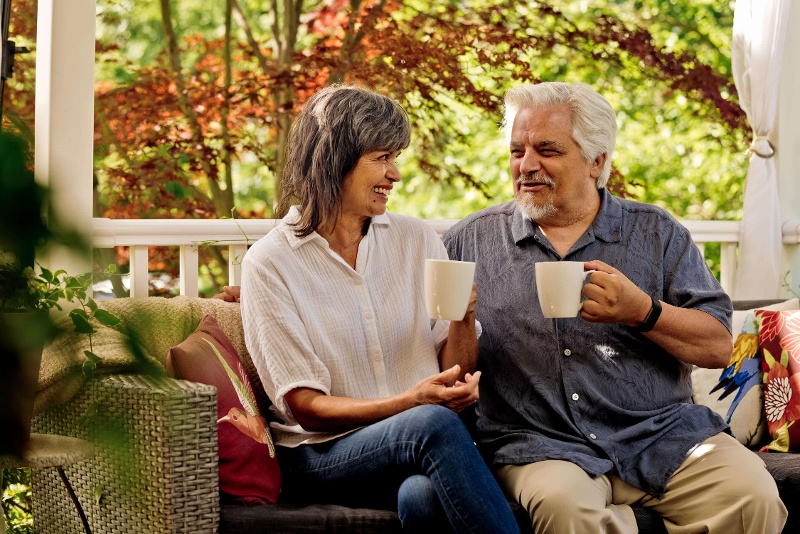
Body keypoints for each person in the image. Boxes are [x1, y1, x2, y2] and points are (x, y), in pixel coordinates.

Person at [442, 81, 787, 534]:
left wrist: (641, 311)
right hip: (540, 445)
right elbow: (449, 375)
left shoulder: (657, 234)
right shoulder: (469, 241)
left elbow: (721, 349)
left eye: (547, 149)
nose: (526, 165)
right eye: (516, 151)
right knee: (565, 507)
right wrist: (461, 319)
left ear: (597, 161)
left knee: (753, 495)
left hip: (663, 436)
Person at [238, 84, 520, 533]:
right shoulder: (271, 263)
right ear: (334, 160)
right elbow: (305, 405)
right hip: (321, 453)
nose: (396, 175)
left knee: (421, 497)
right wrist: (411, 403)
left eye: (396, 158)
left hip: (419, 442)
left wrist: (462, 317)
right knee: (430, 423)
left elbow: (455, 367)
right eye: (382, 158)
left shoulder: (416, 239)